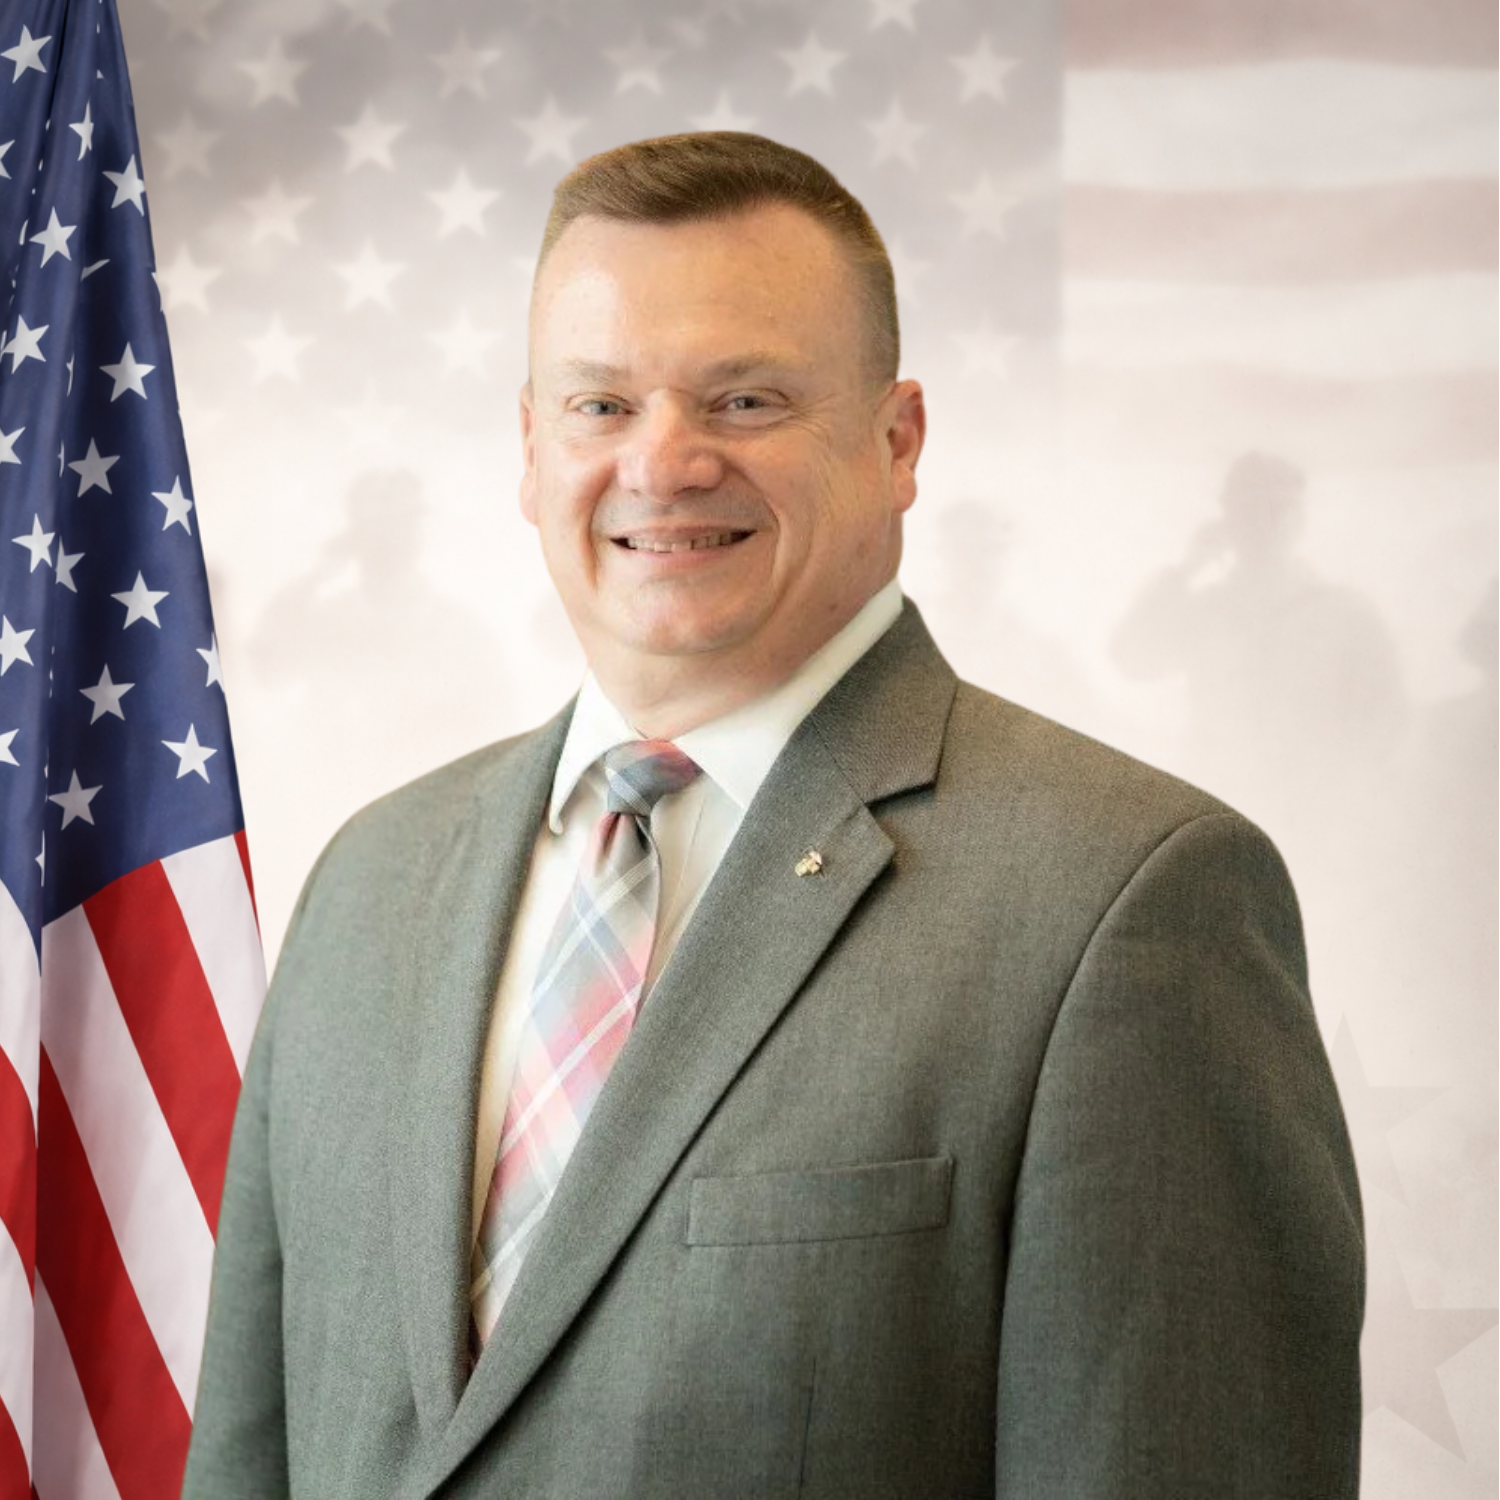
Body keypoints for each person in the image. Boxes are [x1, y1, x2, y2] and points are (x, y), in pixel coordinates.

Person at [182, 133, 1364, 1499]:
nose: (665, 463)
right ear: (529, 445)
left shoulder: (1128, 905)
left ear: (898, 440)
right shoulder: (368, 882)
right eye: (601, 404)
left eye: (743, 400)